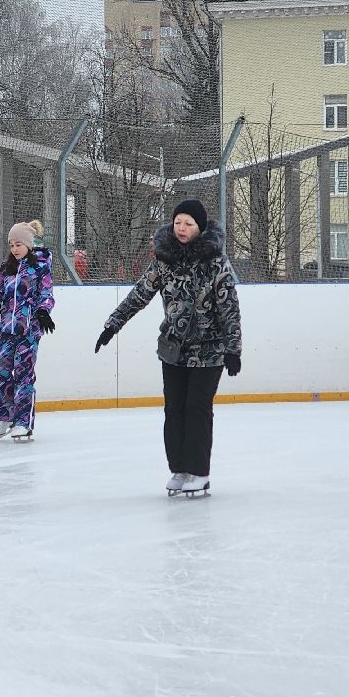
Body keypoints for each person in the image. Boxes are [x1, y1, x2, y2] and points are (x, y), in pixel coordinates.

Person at [95, 199, 242, 495]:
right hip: (173, 350)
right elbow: (140, 295)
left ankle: (199, 471)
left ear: (200, 227)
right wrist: (112, 325)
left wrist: (233, 349)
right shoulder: (164, 260)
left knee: (197, 409)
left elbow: (230, 308)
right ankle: (179, 468)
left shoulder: (216, 262)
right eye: (178, 223)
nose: (182, 228)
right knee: (174, 410)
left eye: (188, 224)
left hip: (209, 351)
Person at [0, 219, 55, 440]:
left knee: (24, 376)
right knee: (1, 374)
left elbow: (47, 293)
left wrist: (43, 311)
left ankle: (24, 422)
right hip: (6, 330)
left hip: (28, 330)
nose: (14, 249)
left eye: (18, 245)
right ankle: (5, 418)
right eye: (11, 245)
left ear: (28, 245)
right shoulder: (7, 268)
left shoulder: (40, 267)